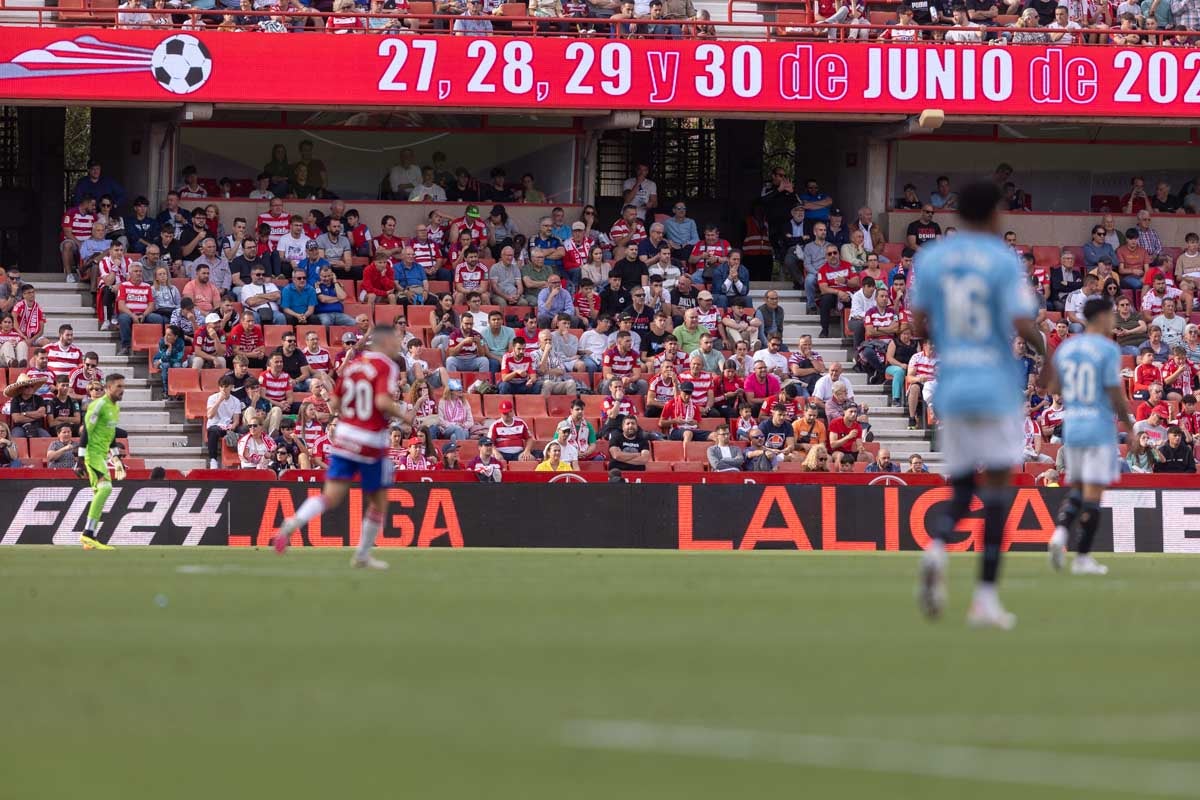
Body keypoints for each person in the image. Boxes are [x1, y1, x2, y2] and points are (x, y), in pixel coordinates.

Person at [909, 181, 1048, 630]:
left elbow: (917, 324)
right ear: (992, 215)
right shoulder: (1002, 260)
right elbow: (1023, 323)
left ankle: (936, 550)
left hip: (953, 385)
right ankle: (985, 597)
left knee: (964, 486)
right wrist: (1043, 348)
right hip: (996, 383)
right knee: (998, 491)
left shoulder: (931, 259)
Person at [271, 326, 405, 569]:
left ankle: (292, 522)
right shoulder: (387, 366)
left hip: (344, 436)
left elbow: (336, 401)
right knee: (379, 500)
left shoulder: (352, 365)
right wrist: (405, 417)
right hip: (370, 440)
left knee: (330, 496)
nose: (397, 345)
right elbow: (383, 401)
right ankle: (363, 555)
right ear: (384, 342)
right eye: (395, 340)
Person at [78, 373, 126, 550]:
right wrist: (80, 458)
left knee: (99, 492)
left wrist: (116, 457)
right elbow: (86, 432)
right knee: (106, 488)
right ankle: (87, 534)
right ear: (108, 388)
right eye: (118, 386)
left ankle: (90, 540)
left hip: (103, 455)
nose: (122, 390)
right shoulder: (98, 405)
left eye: (123, 386)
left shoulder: (115, 408)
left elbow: (111, 435)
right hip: (92, 454)